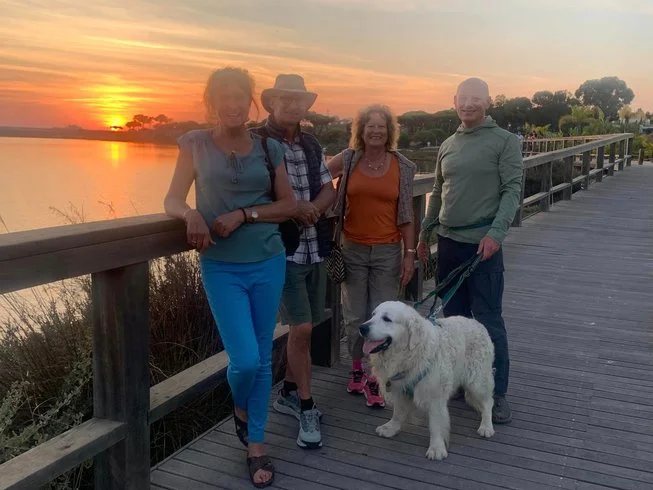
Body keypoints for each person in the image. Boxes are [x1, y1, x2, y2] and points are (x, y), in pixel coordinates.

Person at [164, 67, 296, 488]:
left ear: (250, 101)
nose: (233, 104)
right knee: (246, 360)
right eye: (225, 97)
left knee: (261, 354)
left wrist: (244, 214)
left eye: (240, 97)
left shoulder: (269, 148)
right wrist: (190, 214)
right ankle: (241, 409)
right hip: (221, 265)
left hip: (268, 259)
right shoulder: (194, 143)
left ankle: (256, 442)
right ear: (212, 102)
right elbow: (172, 198)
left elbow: (289, 205)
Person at [416, 77, 523, 424]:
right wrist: (425, 232)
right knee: (454, 321)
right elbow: (438, 189)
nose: (469, 104)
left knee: (488, 320)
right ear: (454, 101)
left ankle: (497, 393)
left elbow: (512, 189)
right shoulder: (449, 143)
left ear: (488, 102)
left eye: (476, 98)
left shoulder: (504, 141)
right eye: (464, 98)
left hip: (483, 246)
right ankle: (461, 382)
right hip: (449, 243)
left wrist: (496, 234)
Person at [250, 74, 336, 449]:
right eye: (284, 98)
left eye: (298, 99)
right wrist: (291, 210)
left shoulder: (311, 143)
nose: (292, 105)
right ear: (271, 102)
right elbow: (248, 192)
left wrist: (313, 208)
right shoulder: (255, 141)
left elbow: (328, 188)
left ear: (306, 105)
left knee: (308, 327)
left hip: (315, 247)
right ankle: (306, 405)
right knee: (300, 328)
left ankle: (286, 390)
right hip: (279, 251)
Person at [327, 104, 417, 408]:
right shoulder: (348, 158)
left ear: (389, 131)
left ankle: (376, 377)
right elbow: (317, 177)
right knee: (354, 315)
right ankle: (357, 368)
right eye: (370, 126)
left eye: (381, 126)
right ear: (361, 131)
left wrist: (409, 254)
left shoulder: (402, 165)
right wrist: (323, 202)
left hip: (388, 251)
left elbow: (407, 215)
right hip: (351, 248)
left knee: (384, 319)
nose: (376, 131)